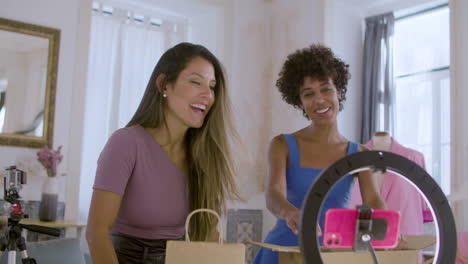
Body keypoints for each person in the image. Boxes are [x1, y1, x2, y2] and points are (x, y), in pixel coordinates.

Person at [86, 42, 239, 264]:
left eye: (212, 86)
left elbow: (206, 234)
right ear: (164, 85)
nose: (208, 95)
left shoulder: (206, 155)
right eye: (196, 82)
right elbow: (97, 232)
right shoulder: (126, 143)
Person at [253, 44, 386, 264]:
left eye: (326, 89)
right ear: (300, 102)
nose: (319, 100)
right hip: (283, 251)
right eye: (309, 94)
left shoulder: (359, 153)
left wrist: (386, 228)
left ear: (339, 92)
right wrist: (290, 213)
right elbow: (273, 195)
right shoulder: (282, 145)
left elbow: (373, 199)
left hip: (331, 255)